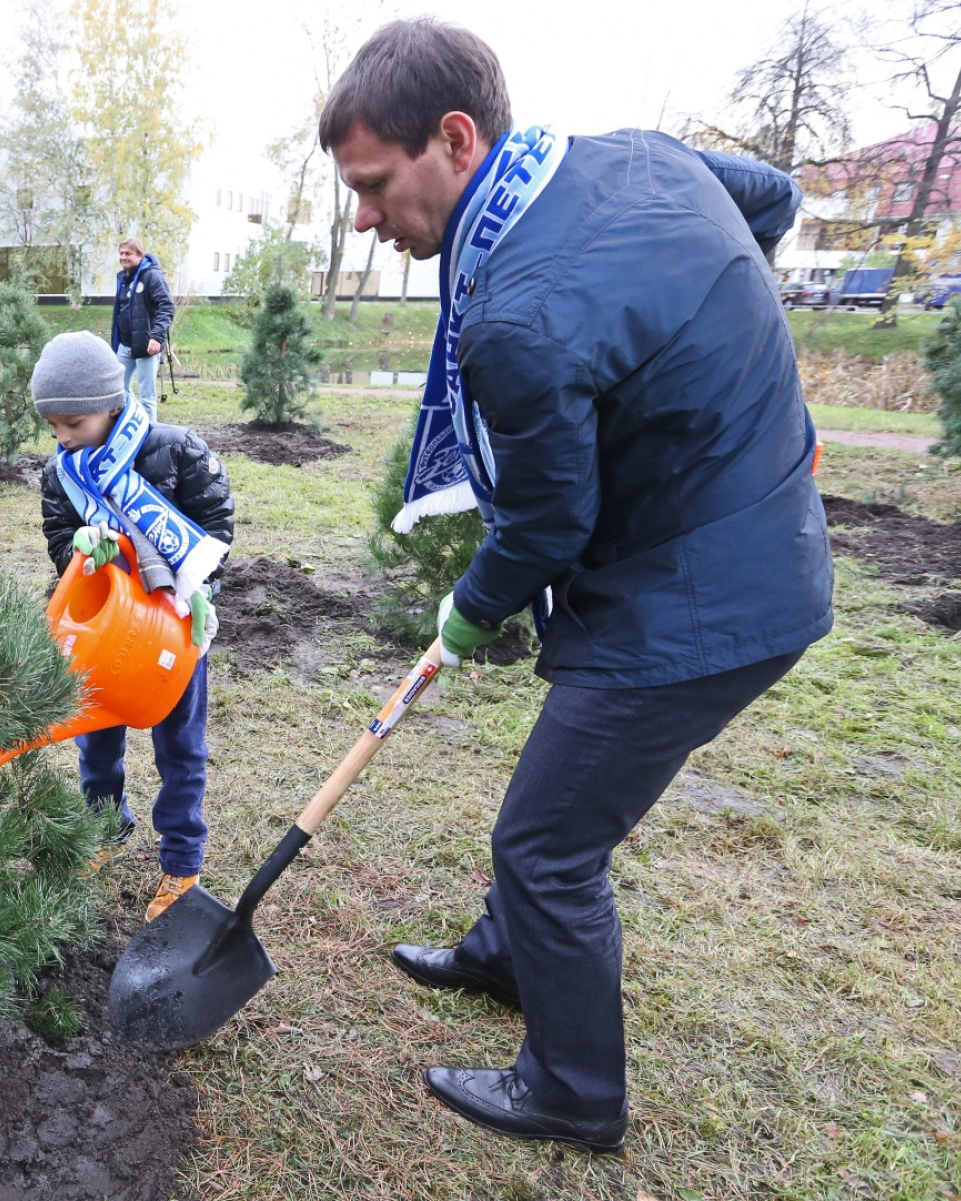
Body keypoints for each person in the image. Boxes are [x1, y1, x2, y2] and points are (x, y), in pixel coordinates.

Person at [317, 19, 834, 1153]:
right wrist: (722, 365)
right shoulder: (639, 157)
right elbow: (773, 198)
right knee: (555, 792)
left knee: (545, 842)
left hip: (708, 593)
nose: (362, 216)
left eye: (371, 186)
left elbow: (551, 521)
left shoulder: (518, 314)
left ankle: (573, 1090)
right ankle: (510, 960)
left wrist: (469, 607)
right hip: (698, 544)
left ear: (455, 139)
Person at [34, 331, 232, 923]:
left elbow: (215, 532)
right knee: (95, 737)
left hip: (174, 632)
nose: (64, 439)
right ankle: (103, 826)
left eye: (73, 423)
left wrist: (202, 591)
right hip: (105, 633)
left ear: (111, 403)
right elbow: (58, 543)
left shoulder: (177, 452)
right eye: (54, 429)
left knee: (180, 750)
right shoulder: (63, 474)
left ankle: (181, 862)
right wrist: (80, 544)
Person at [109, 237, 174, 420]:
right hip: (125, 345)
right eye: (121, 253)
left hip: (147, 345)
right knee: (118, 390)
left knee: (147, 396)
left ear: (139, 255)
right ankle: (130, 424)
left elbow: (166, 307)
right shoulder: (122, 278)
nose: (123, 257)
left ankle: (149, 435)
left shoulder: (151, 276)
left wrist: (157, 337)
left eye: (128, 253)